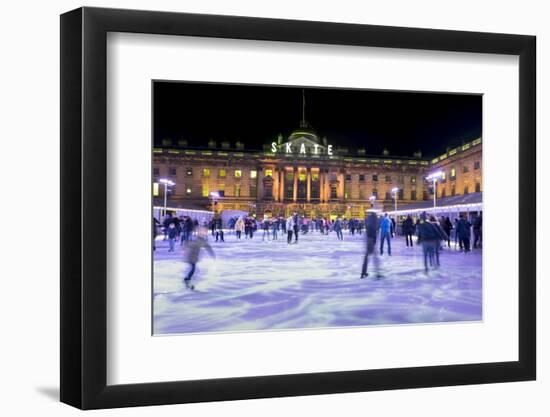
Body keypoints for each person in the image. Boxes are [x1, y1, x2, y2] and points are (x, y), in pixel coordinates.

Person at [361, 210, 381, 278]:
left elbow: (367, 227)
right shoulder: (375, 219)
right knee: (375, 257)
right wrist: (374, 240)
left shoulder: (368, 219)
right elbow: (376, 228)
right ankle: (377, 273)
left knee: (367, 256)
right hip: (371, 239)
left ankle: (363, 272)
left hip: (368, 238)